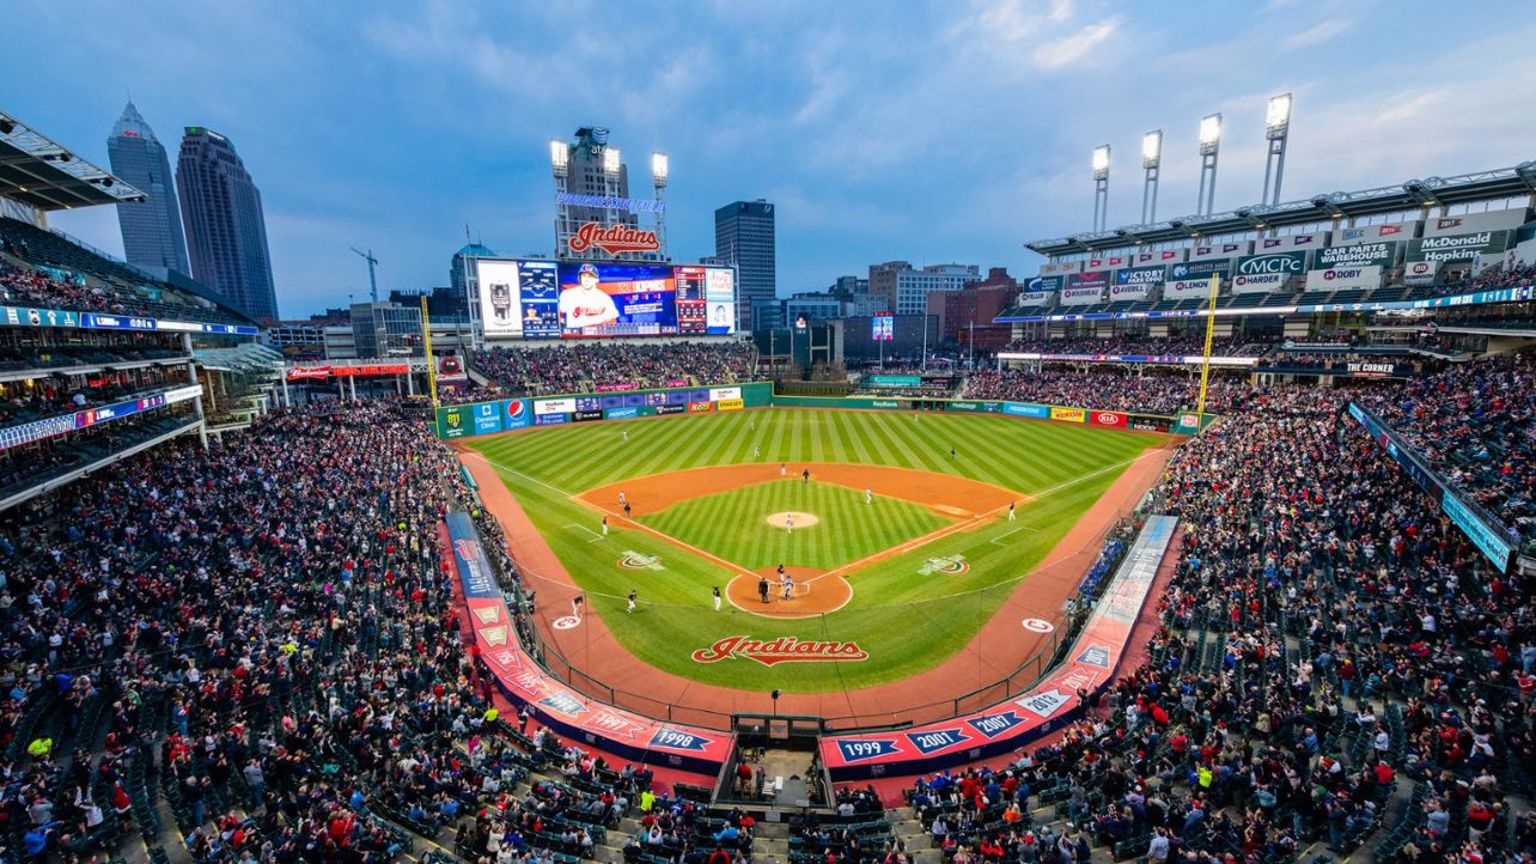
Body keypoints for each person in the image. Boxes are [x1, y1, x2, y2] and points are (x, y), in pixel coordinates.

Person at [559, 263, 620, 329]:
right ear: (579, 278)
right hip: (573, 336)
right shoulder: (568, 294)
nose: (586, 279)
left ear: (596, 280)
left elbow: (613, 322)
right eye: (584, 276)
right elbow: (558, 315)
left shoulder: (605, 299)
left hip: (598, 336)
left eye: (590, 276)